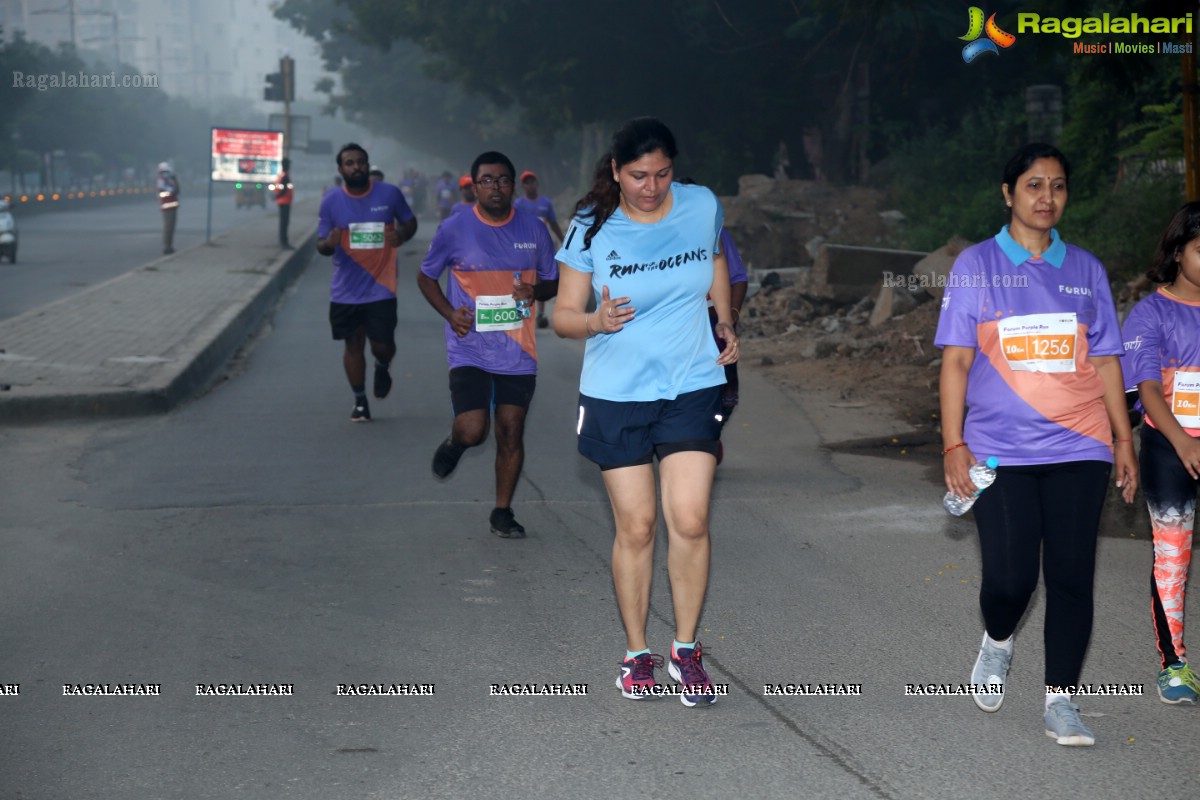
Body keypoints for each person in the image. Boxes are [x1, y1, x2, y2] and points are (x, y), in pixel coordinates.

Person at [935, 142, 1137, 746]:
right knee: (1010, 579)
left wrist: (1123, 439)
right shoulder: (974, 266)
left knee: (1072, 575)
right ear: (1008, 194)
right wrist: (952, 446)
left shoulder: (1086, 271)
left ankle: (1061, 702)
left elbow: (1106, 363)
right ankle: (998, 641)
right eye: (1033, 186)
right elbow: (955, 363)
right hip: (999, 449)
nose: (1047, 198)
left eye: (1057, 186)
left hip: (1082, 445)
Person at [552, 118, 738, 706]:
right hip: (616, 392)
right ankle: (636, 654)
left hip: (691, 382)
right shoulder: (591, 227)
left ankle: (687, 650)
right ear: (615, 171)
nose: (651, 187)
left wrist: (725, 317)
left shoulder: (701, 204)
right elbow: (561, 315)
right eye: (638, 176)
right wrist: (595, 322)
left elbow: (713, 263)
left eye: (661, 174)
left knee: (689, 518)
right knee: (636, 526)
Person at [417, 151, 558, 538]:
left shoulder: (534, 230)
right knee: (474, 430)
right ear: (474, 186)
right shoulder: (453, 228)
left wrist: (535, 290)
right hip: (470, 346)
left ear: (514, 185)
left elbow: (554, 281)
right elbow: (426, 277)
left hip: (519, 349)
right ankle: (456, 441)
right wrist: (449, 313)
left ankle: (502, 511)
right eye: (487, 180)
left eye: (502, 180)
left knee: (511, 430)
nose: (496, 187)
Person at [1120, 201, 1200, 704]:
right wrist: (1184, 441)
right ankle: (1174, 666)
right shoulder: (1151, 313)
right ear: (1177, 252)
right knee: (1173, 557)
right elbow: (1147, 389)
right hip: (1170, 449)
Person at [316, 142, 418, 422]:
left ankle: (382, 365)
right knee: (353, 344)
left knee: (382, 345)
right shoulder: (331, 202)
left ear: (367, 164)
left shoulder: (389, 194)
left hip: (381, 286)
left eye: (360, 161)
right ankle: (360, 400)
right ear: (340, 169)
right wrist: (329, 243)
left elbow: (409, 223)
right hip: (345, 289)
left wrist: (402, 235)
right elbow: (321, 245)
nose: (356, 166)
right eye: (349, 163)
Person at [514, 170, 565, 328]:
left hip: (542, 247)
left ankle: (541, 314)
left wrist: (564, 240)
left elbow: (553, 223)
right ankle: (522, 313)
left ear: (537, 183)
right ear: (523, 186)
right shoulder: (519, 205)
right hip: (523, 247)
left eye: (532, 181)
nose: (530, 185)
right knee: (523, 279)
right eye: (526, 182)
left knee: (542, 279)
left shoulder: (546, 203)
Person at [156, 162, 179, 255]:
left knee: (171, 227)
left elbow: (177, 190)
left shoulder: (169, 179)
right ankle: (167, 246)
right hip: (167, 206)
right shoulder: (162, 181)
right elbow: (170, 190)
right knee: (168, 227)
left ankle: (169, 245)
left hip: (172, 206)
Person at [274, 157, 294, 249]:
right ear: (286, 165)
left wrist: (276, 197)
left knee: (283, 223)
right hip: (285, 202)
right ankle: (284, 243)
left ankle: (283, 242)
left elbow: (280, 189)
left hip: (282, 202)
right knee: (284, 223)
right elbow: (284, 190)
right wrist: (277, 196)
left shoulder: (281, 175)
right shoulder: (285, 176)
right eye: (288, 164)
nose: (289, 166)